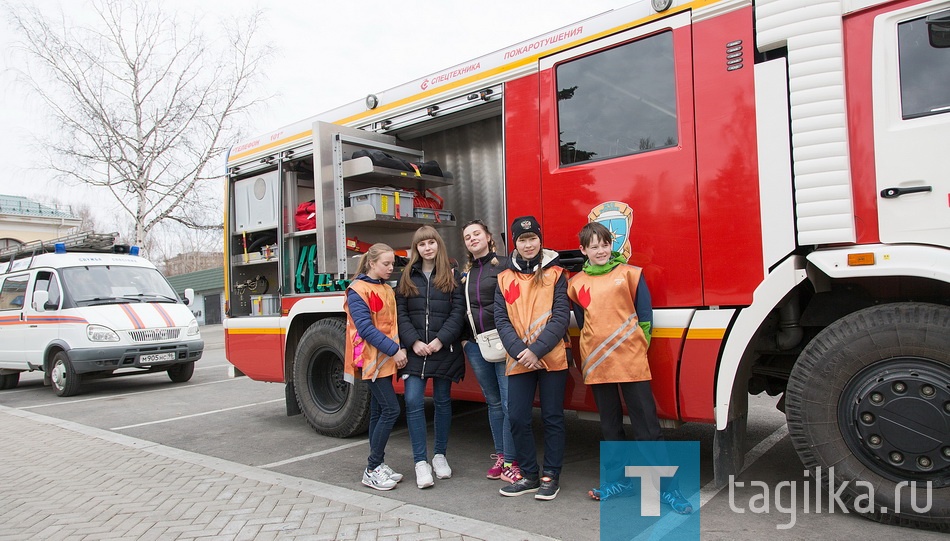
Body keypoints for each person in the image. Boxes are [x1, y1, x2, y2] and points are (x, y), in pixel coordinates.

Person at [566, 222, 691, 514]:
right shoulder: (575, 284)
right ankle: (619, 482)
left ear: (613, 245)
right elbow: (584, 324)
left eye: (604, 244)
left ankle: (667, 490)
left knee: (647, 428)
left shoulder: (631, 274)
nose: (600, 250)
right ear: (583, 250)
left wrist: (635, 349)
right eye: (593, 246)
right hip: (597, 363)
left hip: (631, 361)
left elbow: (645, 318)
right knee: (610, 427)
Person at [494, 216, 570, 501]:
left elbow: (561, 317)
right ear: (515, 243)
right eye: (522, 240)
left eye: (533, 239)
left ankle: (551, 475)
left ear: (540, 240)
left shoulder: (557, 274)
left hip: (550, 356)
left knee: (552, 417)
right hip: (518, 358)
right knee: (516, 417)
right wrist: (520, 352)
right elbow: (500, 320)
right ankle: (529, 475)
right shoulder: (503, 277)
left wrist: (535, 350)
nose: (528, 244)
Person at [396, 226, 466, 489]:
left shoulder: (451, 276)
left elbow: (457, 313)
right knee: (413, 401)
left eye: (431, 243)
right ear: (416, 249)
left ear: (439, 245)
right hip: (416, 352)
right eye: (422, 244)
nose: (427, 248)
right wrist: (413, 342)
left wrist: (439, 341)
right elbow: (400, 313)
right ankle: (420, 462)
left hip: (443, 350)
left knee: (442, 401)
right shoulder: (407, 277)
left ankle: (439, 456)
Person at [343, 243, 408, 491]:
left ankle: (378, 466)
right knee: (391, 410)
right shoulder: (358, 290)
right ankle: (372, 468)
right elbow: (366, 329)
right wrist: (395, 351)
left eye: (393, 263)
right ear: (371, 263)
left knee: (380, 412)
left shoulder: (383, 288)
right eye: (386, 264)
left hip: (383, 361)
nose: (391, 268)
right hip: (372, 362)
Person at [460, 220, 517, 481]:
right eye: (468, 237)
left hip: (504, 342)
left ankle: (513, 461)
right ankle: (502, 455)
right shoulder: (465, 273)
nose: (472, 239)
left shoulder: (505, 265)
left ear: (488, 237)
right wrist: (464, 341)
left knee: (508, 404)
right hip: (476, 345)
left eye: (476, 234)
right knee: (493, 403)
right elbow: (459, 309)